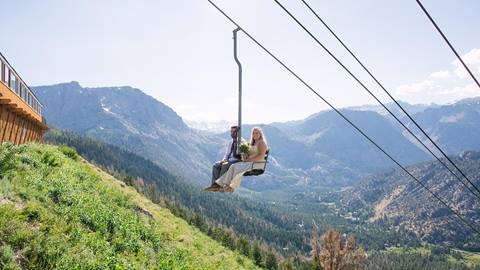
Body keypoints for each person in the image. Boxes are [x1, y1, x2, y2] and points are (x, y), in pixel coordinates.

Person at [215, 127, 268, 192]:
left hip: (257, 163)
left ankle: (231, 187)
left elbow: (261, 156)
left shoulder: (261, 143)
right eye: (253, 133)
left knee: (238, 168)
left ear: (260, 134)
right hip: (250, 162)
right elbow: (250, 154)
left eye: (257, 133)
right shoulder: (252, 143)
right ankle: (225, 184)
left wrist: (249, 159)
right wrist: (244, 154)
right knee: (232, 166)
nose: (255, 135)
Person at [204, 126, 244, 191]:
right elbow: (227, 153)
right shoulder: (231, 142)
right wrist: (224, 159)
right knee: (216, 165)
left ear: (238, 133)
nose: (232, 133)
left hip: (236, 161)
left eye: (234, 132)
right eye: (231, 131)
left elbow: (240, 156)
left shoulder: (242, 142)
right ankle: (214, 185)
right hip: (229, 160)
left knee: (224, 165)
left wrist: (227, 162)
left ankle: (220, 185)